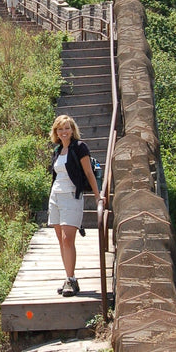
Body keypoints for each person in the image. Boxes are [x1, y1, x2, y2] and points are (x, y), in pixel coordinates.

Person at [48, 114, 101, 297]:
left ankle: (70, 280)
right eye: (60, 129)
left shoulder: (80, 147)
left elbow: (88, 172)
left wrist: (97, 196)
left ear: (72, 130)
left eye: (67, 128)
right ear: (56, 131)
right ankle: (69, 278)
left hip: (72, 196)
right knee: (61, 242)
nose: (64, 132)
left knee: (67, 239)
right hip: (55, 197)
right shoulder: (57, 151)